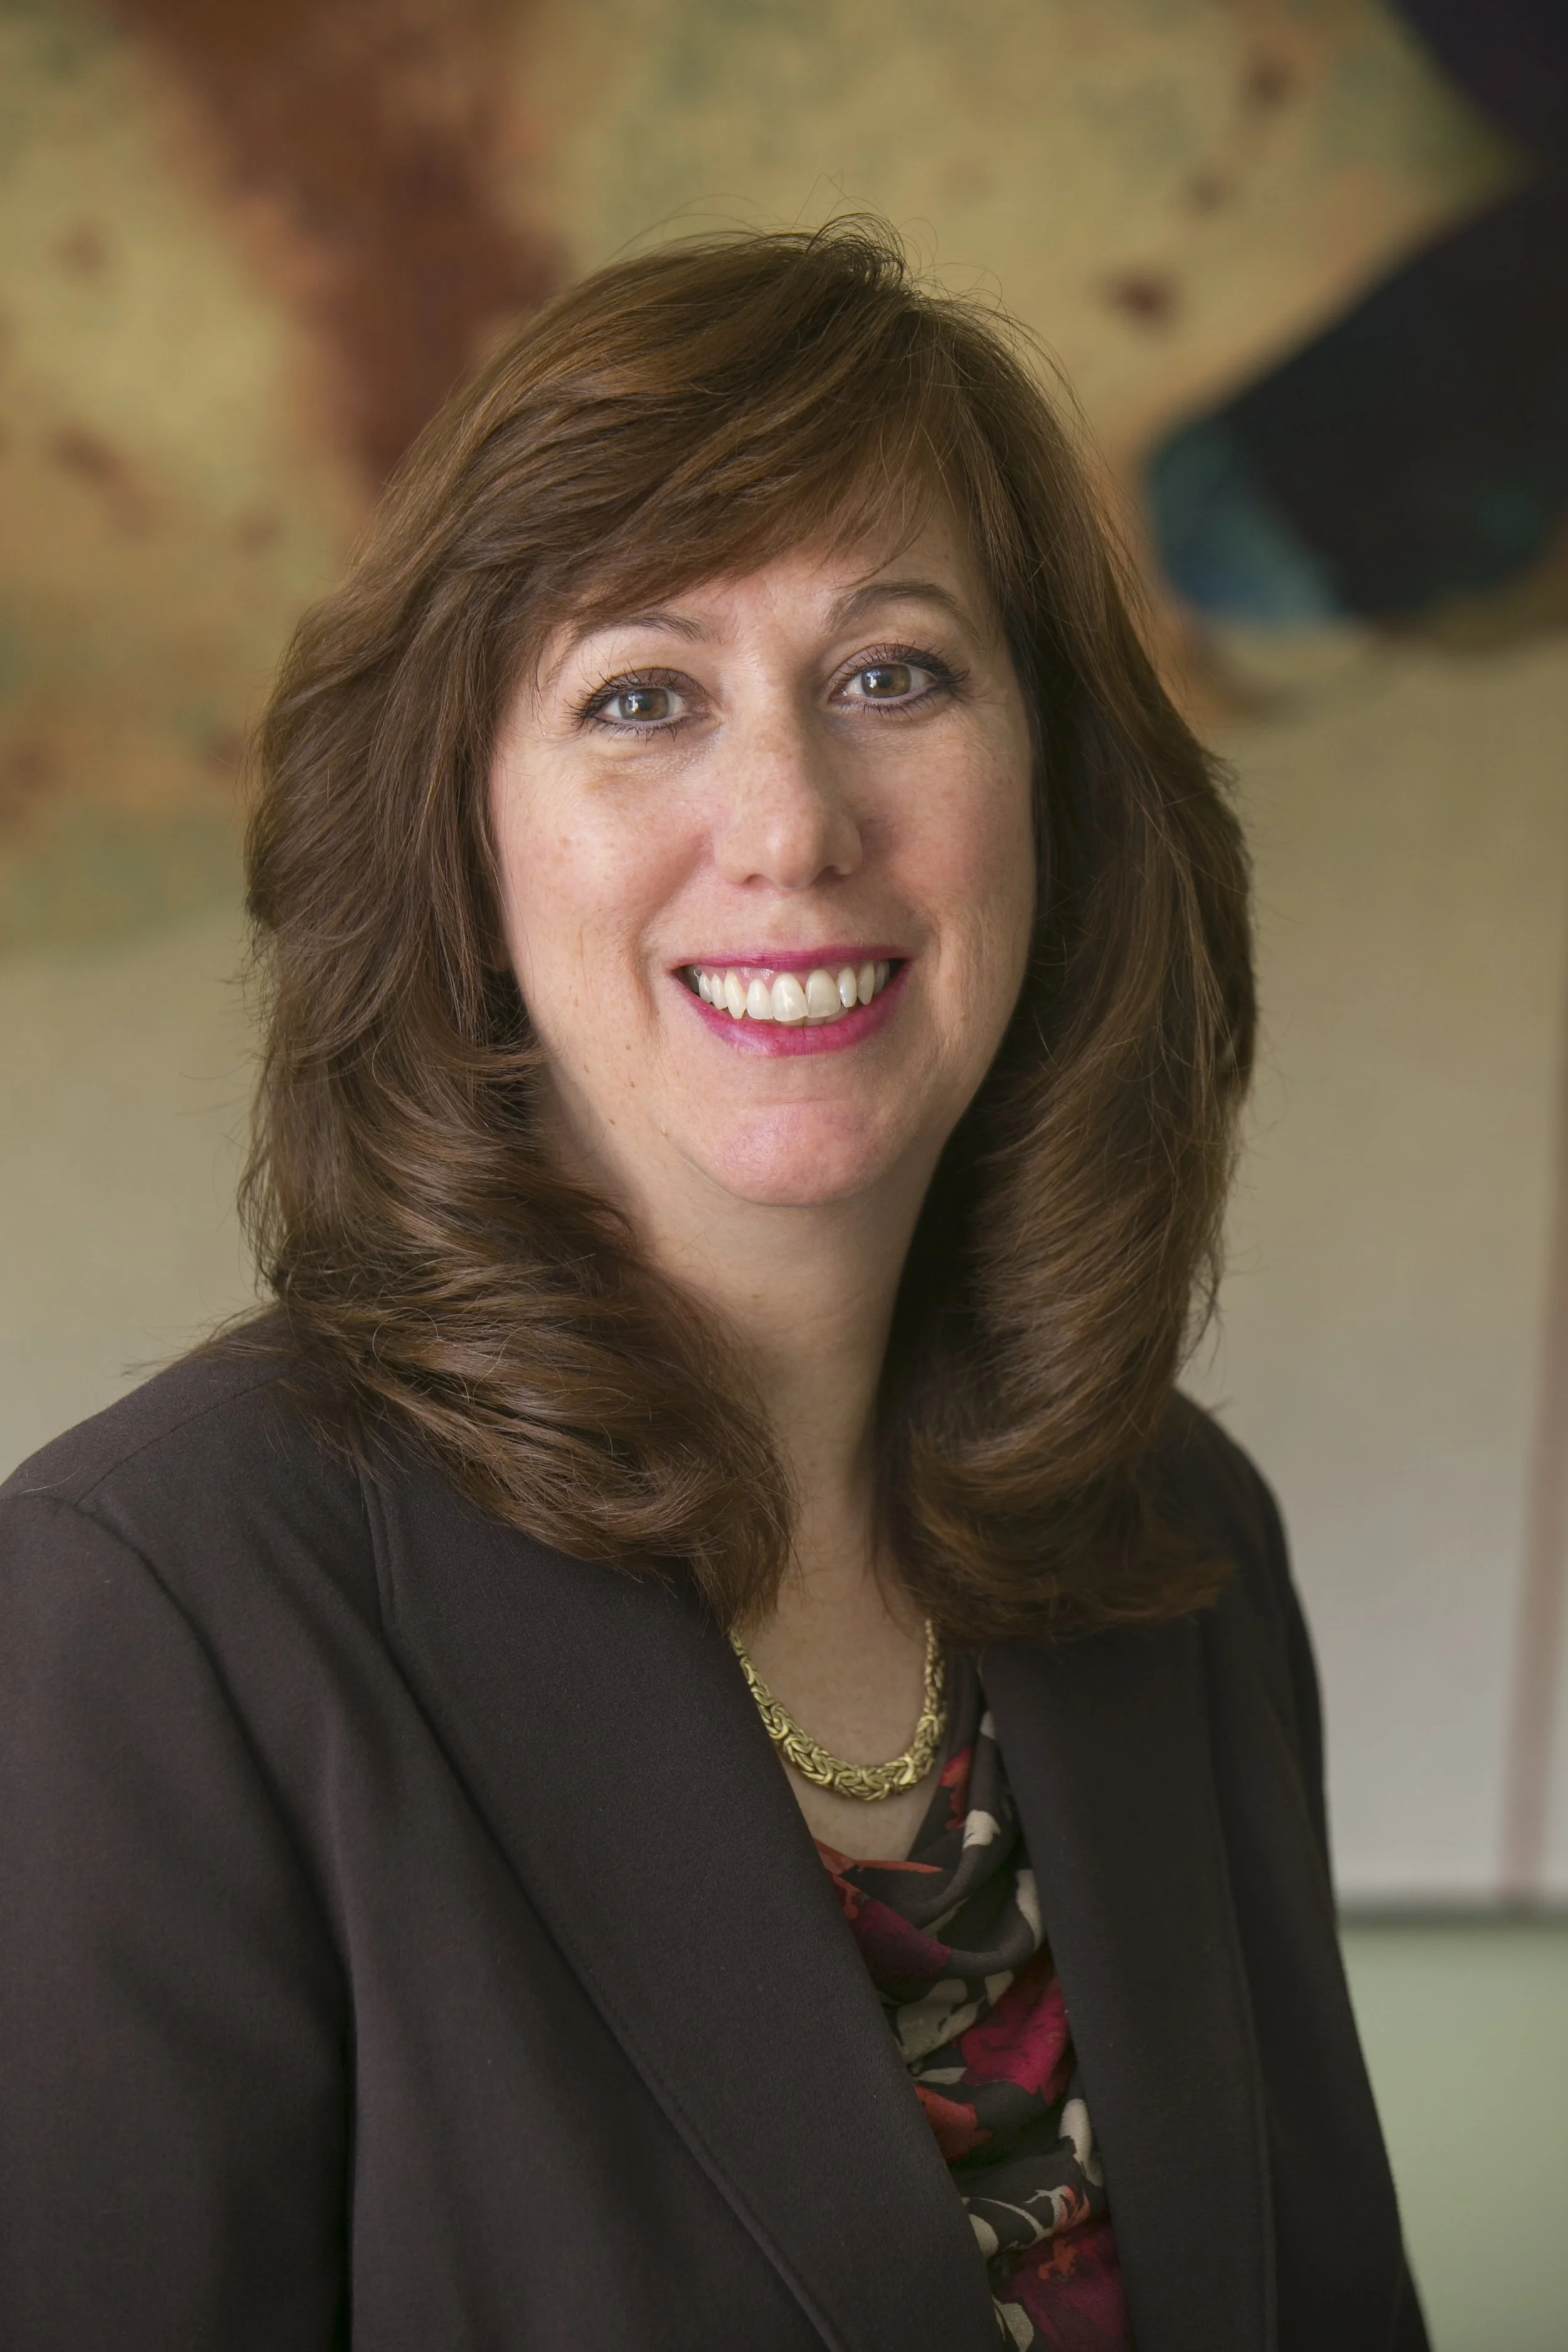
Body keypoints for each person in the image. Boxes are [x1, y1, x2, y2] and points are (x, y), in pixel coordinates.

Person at [0, 223, 1425, 2352]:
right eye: (639, 695)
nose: (789, 821)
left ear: (1053, 787)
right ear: (466, 847)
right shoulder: (152, 1618)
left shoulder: (1184, 1545)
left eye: (893, 673)